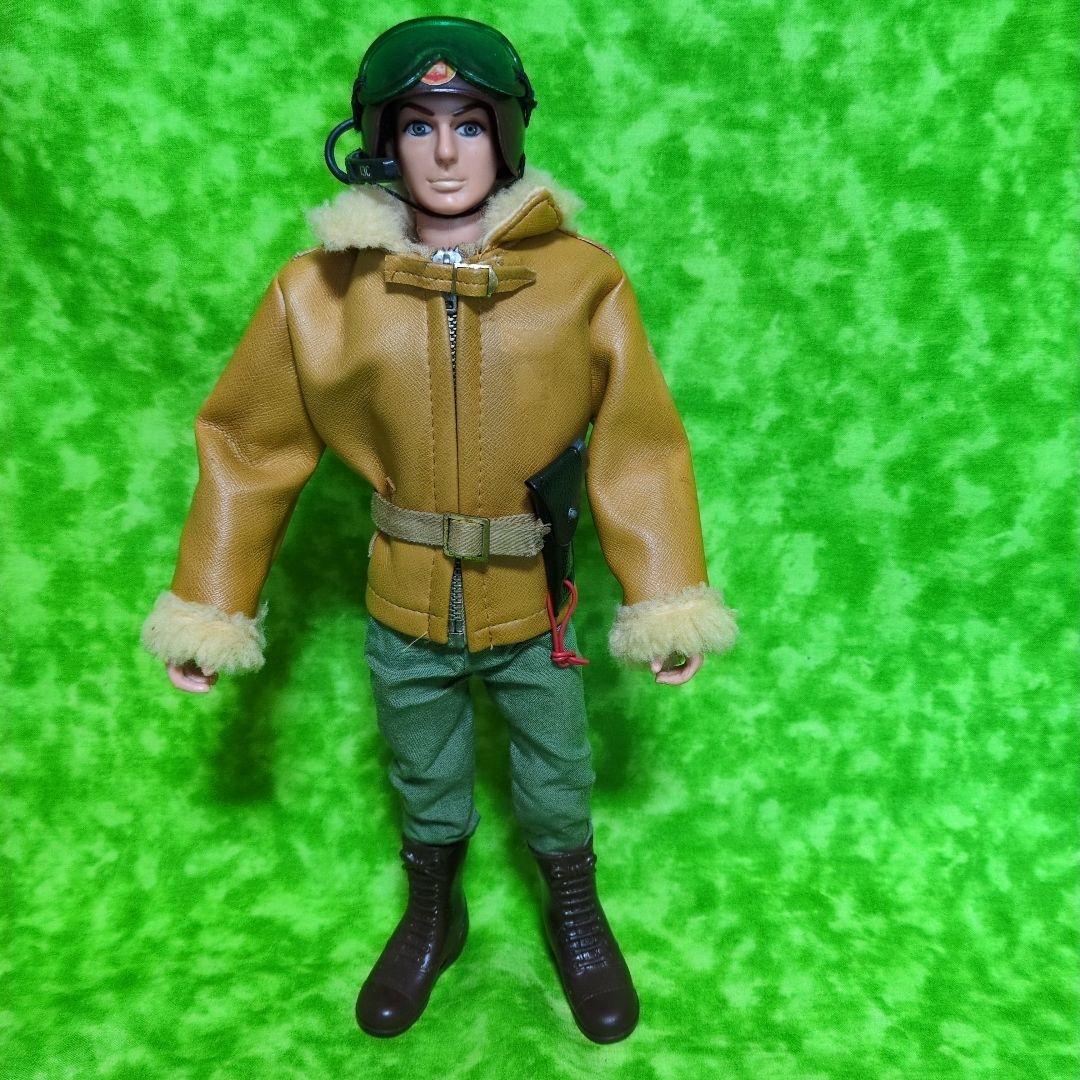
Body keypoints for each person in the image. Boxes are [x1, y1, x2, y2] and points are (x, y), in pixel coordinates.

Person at [140, 16, 739, 1044]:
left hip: (532, 599)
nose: (447, 152)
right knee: (424, 770)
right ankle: (434, 911)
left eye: (469, 124)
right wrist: (211, 608)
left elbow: (639, 446)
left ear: (506, 136)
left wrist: (665, 600)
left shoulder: (581, 282)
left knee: (556, 771)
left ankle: (574, 908)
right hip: (403, 597)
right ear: (381, 142)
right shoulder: (319, 292)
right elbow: (249, 446)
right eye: (419, 125)